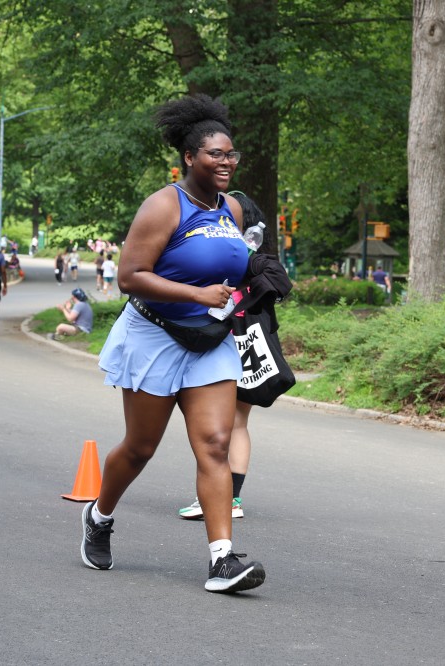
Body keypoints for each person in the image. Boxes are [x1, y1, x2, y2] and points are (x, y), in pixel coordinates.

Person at [80, 94, 266, 593]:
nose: (226, 162)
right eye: (215, 154)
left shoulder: (231, 208)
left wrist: (258, 281)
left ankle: (222, 560)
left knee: (216, 444)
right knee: (140, 448)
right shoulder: (164, 205)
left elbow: (231, 269)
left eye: (231, 154)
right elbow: (130, 276)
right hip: (154, 336)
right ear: (189, 157)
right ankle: (99, 515)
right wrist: (195, 294)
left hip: (210, 340)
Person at [176, 192, 278, 522]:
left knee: (214, 426)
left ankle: (215, 497)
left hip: (225, 342)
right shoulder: (260, 258)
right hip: (253, 343)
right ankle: (232, 499)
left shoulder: (227, 254)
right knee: (238, 424)